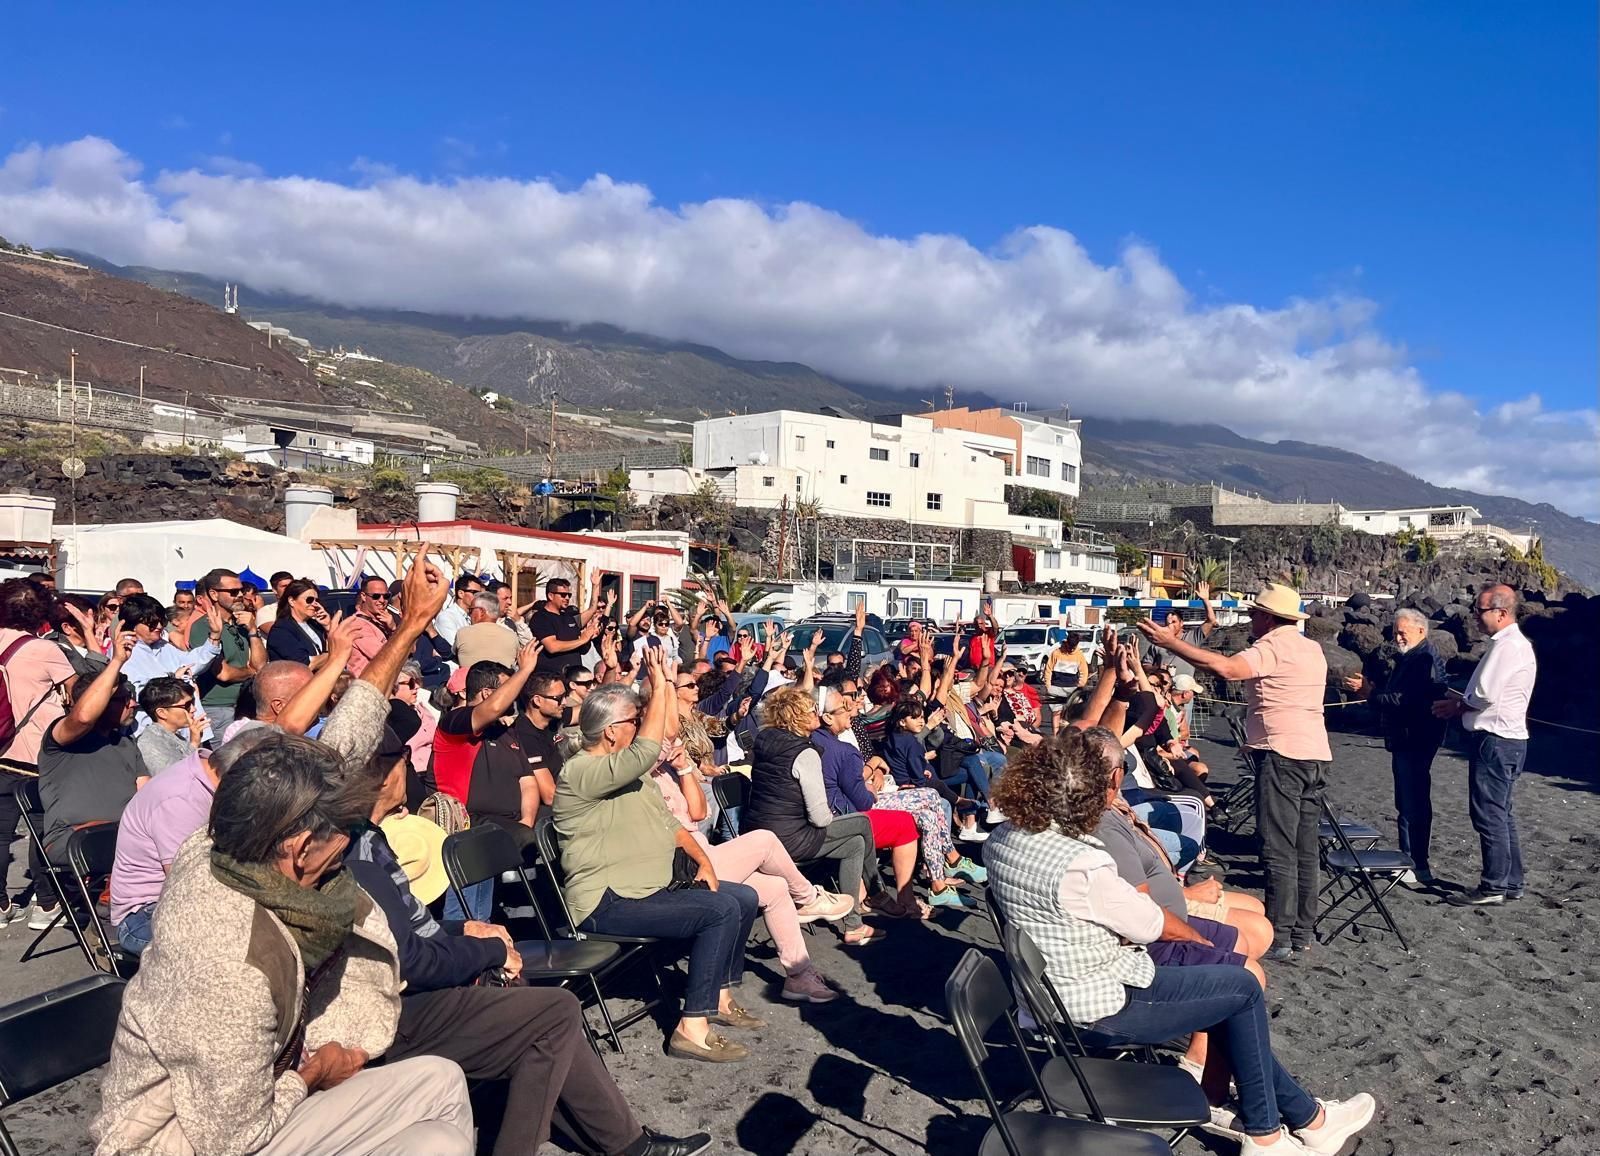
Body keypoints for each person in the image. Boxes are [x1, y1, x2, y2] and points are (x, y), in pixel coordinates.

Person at [984, 731, 1375, 1154]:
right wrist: (1197, 941)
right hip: (1099, 1007)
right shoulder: (1081, 862)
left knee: (1227, 992)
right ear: (1108, 782)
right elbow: (1149, 925)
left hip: (1045, 1000)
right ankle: (1268, 1136)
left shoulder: (1004, 839)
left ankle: (1307, 1119)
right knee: (1240, 988)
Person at [91, 733, 476, 1155]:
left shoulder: (214, 847)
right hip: (176, 1138)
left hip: (241, 1098)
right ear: (302, 847)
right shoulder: (233, 966)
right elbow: (232, 1139)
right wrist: (313, 1075)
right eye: (340, 848)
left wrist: (375, 670)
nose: (343, 864)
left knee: (441, 1080)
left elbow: (315, 757)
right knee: (438, 1145)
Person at [346, 732, 714, 1156]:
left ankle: (628, 1146)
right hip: (396, 1010)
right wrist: (489, 952)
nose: (410, 769)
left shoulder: (366, 836)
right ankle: (619, 1146)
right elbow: (409, 959)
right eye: (404, 760)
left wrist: (466, 929)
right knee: (554, 1012)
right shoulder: (352, 852)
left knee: (538, 1014)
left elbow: (405, 932)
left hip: (414, 986)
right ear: (385, 773)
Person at [554, 652, 761, 1062]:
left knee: (743, 898)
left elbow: (672, 824)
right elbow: (649, 749)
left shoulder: (628, 773)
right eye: (633, 720)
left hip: (647, 887)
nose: (639, 726)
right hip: (606, 899)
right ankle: (691, 1029)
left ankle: (717, 996)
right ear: (612, 732)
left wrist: (702, 860)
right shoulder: (581, 771)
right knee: (719, 910)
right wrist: (658, 682)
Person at [1139, 581, 1329, 960]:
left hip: (1282, 753)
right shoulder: (1312, 648)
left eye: (1255, 613)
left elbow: (1227, 669)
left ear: (1268, 617)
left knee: (1277, 847)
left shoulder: (1273, 646)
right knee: (1305, 847)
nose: (1250, 618)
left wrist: (1171, 644)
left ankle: (1282, 934)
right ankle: (1304, 930)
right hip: (1315, 752)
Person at [642, 678, 853, 1004]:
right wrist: (663, 685)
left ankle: (798, 976)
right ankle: (809, 897)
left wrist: (684, 768)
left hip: (703, 852)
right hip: (680, 867)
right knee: (765, 840)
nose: (674, 733)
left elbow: (698, 813)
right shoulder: (638, 769)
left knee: (775, 888)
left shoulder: (670, 768)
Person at [743, 685, 895, 946]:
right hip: (790, 839)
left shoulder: (766, 739)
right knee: (862, 821)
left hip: (759, 831)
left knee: (855, 844)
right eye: (812, 709)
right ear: (799, 716)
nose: (817, 712)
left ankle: (854, 925)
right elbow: (820, 819)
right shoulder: (805, 753)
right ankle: (876, 891)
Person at [814, 686, 983, 913]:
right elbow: (861, 797)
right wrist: (872, 774)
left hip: (863, 793)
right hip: (853, 809)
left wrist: (875, 772)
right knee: (931, 797)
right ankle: (950, 861)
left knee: (928, 812)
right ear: (825, 716)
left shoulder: (846, 734)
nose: (853, 703)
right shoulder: (839, 748)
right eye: (846, 704)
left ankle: (938, 884)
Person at [112, 730, 271, 954]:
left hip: (189, 896)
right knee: (241, 947)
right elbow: (187, 885)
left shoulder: (211, 777)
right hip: (147, 912)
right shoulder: (180, 800)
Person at [1433, 583, 1538, 907]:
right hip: (1508, 739)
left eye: (1480, 611)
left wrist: (1457, 706)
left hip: (1495, 739)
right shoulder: (1512, 645)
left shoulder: (1507, 646)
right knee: (1501, 813)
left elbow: (1485, 695)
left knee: (1489, 814)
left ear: (1501, 613)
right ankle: (1510, 882)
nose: (1474, 617)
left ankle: (1494, 885)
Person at [37, 631, 148, 911]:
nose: (132, 703)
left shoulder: (125, 741)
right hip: (75, 837)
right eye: (123, 698)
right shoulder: (61, 739)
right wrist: (116, 661)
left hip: (124, 835)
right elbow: (84, 716)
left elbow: (146, 792)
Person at [1343, 607, 1446, 885]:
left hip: (1415, 738)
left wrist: (1370, 694)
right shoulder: (1412, 657)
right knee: (1407, 801)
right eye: (1395, 632)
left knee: (1413, 802)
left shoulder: (1423, 658)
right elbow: (1400, 695)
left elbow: (1405, 700)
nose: (1397, 637)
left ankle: (1415, 863)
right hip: (1409, 737)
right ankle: (1409, 860)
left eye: (1402, 632)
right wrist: (1375, 691)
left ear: (1421, 631)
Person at [0, 577, 77, 929]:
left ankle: (1, 905)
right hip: (36, 753)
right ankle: (45, 904)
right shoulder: (45, 650)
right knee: (41, 829)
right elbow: (78, 697)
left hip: (1, 749)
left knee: (1, 834)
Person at [188, 567, 267, 740]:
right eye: (233, 591)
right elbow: (223, 673)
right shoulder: (203, 626)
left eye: (241, 590)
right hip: (218, 708)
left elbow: (261, 665)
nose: (240, 594)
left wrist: (253, 630)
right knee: (225, 763)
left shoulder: (242, 625)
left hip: (248, 704)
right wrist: (251, 671)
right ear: (214, 595)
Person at [116, 592, 223, 699]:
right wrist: (173, 680)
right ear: (133, 625)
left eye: (162, 621)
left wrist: (215, 635)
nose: (159, 626)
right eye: (152, 623)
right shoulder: (124, 651)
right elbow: (135, 691)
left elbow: (193, 662)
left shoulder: (162, 645)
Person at [529, 574, 605, 676]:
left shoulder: (568, 617)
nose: (567, 598)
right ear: (550, 596)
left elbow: (592, 609)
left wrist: (595, 586)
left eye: (569, 595)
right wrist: (582, 639)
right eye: (563, 595)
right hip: (551, 677)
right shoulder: (541, 617)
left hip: (572, 677)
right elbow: (552, 646)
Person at [135, 676, 205, 774]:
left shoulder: (176, 736)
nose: (193, 709)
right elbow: (174, 778)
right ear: (162, 713)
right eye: (187, 705)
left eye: (193, 702)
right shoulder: (149, 743)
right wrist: (194, 744)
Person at [267, 579, 332, 666]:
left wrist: (327, 627)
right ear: (291, 601)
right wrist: (334, 654)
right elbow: (306, 664)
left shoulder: (315, 625)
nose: (314, 604)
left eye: (316, 600)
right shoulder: (281, 630)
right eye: (309, 600)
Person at [344, 574, 397, 677]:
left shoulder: (384, 621)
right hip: (366, 687)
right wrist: (394, 630)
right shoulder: (358, 625)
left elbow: (411, 650)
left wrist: (393, 627)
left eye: (386, 596)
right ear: (363, 596)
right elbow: (386, 658)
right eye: (376, 596)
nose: (382, 600)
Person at [454, 592, 521, 672]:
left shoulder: (463, 633)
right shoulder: (512, 636)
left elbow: (453, 654)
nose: (469, 614)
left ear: (481, 611)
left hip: (470, 683)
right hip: (504, 683)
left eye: (471, 610)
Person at [432, 574, 486, 649]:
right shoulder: (446, 617)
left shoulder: (472, 617)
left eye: (481, 595)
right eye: (475, 593)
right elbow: (458, 648)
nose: (479, 598)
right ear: (461, 594)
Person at [1042, 631, 1091, 706]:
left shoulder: (1079, 655)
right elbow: (1048, 669)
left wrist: (1080, 686)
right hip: (1055, 687)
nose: (1071, 649)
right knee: (1056, 714)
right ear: (1066, 642)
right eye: (1070, 647)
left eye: (1073, 647)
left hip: (1072, 688)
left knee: (1069, 714)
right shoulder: (1056, 653)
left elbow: (1084, 672)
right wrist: (1048, 685)